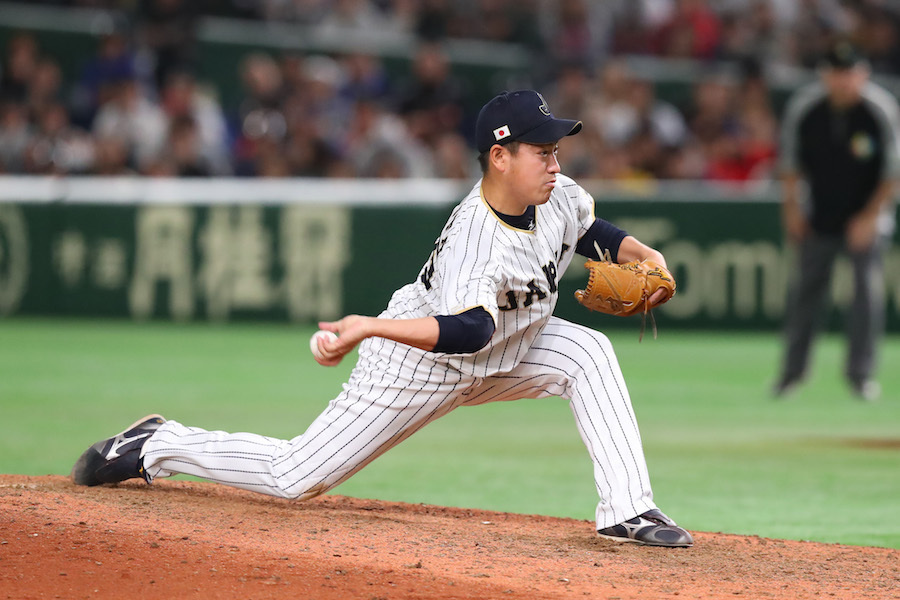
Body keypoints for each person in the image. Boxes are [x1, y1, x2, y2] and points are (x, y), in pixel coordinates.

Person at [71, 90, 693, 548]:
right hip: (421, 361)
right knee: (296, 475)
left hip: (516, 342)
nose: (555, 163)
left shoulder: (554, 193)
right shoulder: (477, 239)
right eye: (541, 152)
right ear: (499, 157)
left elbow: (591, 232)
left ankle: (627, 510)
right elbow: (468, 331)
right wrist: (371, 327)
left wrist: (644, 255)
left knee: (588, 354)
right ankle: (157, 443)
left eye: (557, 150)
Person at [774, 42, 900, 401]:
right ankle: (791, 374)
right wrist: (793, 210)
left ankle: (861, 375)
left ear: (864, 75)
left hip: (868, 215)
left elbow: (893, 172)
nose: (844, 81)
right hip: (821, 214)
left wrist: (870, 217)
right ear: (825, 76)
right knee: (805, 293)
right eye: (837, 74)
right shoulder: (807, 109)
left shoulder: (878, 109)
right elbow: (790, 166)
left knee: (866, 294)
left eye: (851, 74)